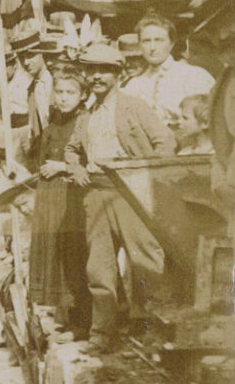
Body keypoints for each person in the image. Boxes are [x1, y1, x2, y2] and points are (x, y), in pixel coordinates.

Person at [65, 43, 175, 349]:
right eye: (91, 70)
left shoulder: (134, 107)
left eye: (104, 70)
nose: (96, 76)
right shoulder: (86, 114)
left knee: (146, 261)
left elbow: (165, 142)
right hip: (96, 194)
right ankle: (103, 334)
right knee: (99, 268)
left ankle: (154, 330)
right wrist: (75, 168)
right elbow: (71, 149)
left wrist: (148, 178)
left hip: (131, 193)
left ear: (117, 73)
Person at [25, 78, 90, 326]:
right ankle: (66, 318)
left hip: (71, 196)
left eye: (70, 92)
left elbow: (92, 161)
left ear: (83, 95)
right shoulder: (54, 122)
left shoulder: (86, 121)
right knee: (56, 253)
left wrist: (63, 167)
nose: (63, 97)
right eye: (59, 92)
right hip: (50, 196)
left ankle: (83, 321)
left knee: (74, 253)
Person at [122, 14, 214, 127]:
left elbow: (208, 121)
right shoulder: (134, 85)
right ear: (140, 45)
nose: (152, 47)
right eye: (146, 41)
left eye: (159, 40)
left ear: (171, 44)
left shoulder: (194, 76)